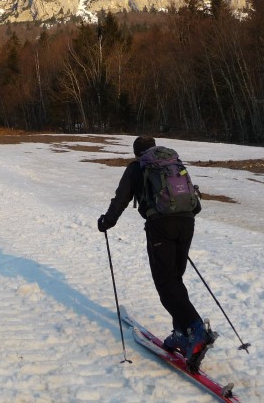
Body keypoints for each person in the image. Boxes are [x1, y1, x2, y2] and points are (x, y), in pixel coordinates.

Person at [97, 136, 214, 368]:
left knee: (165, 284)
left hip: (161, 227)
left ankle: (195, 329)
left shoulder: (136, 168)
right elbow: (194, 203)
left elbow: (121, 199)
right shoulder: (173, 162)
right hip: (186, 223)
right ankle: (182, 333)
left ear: (135, 152)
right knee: (175, 280)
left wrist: (106, 222)